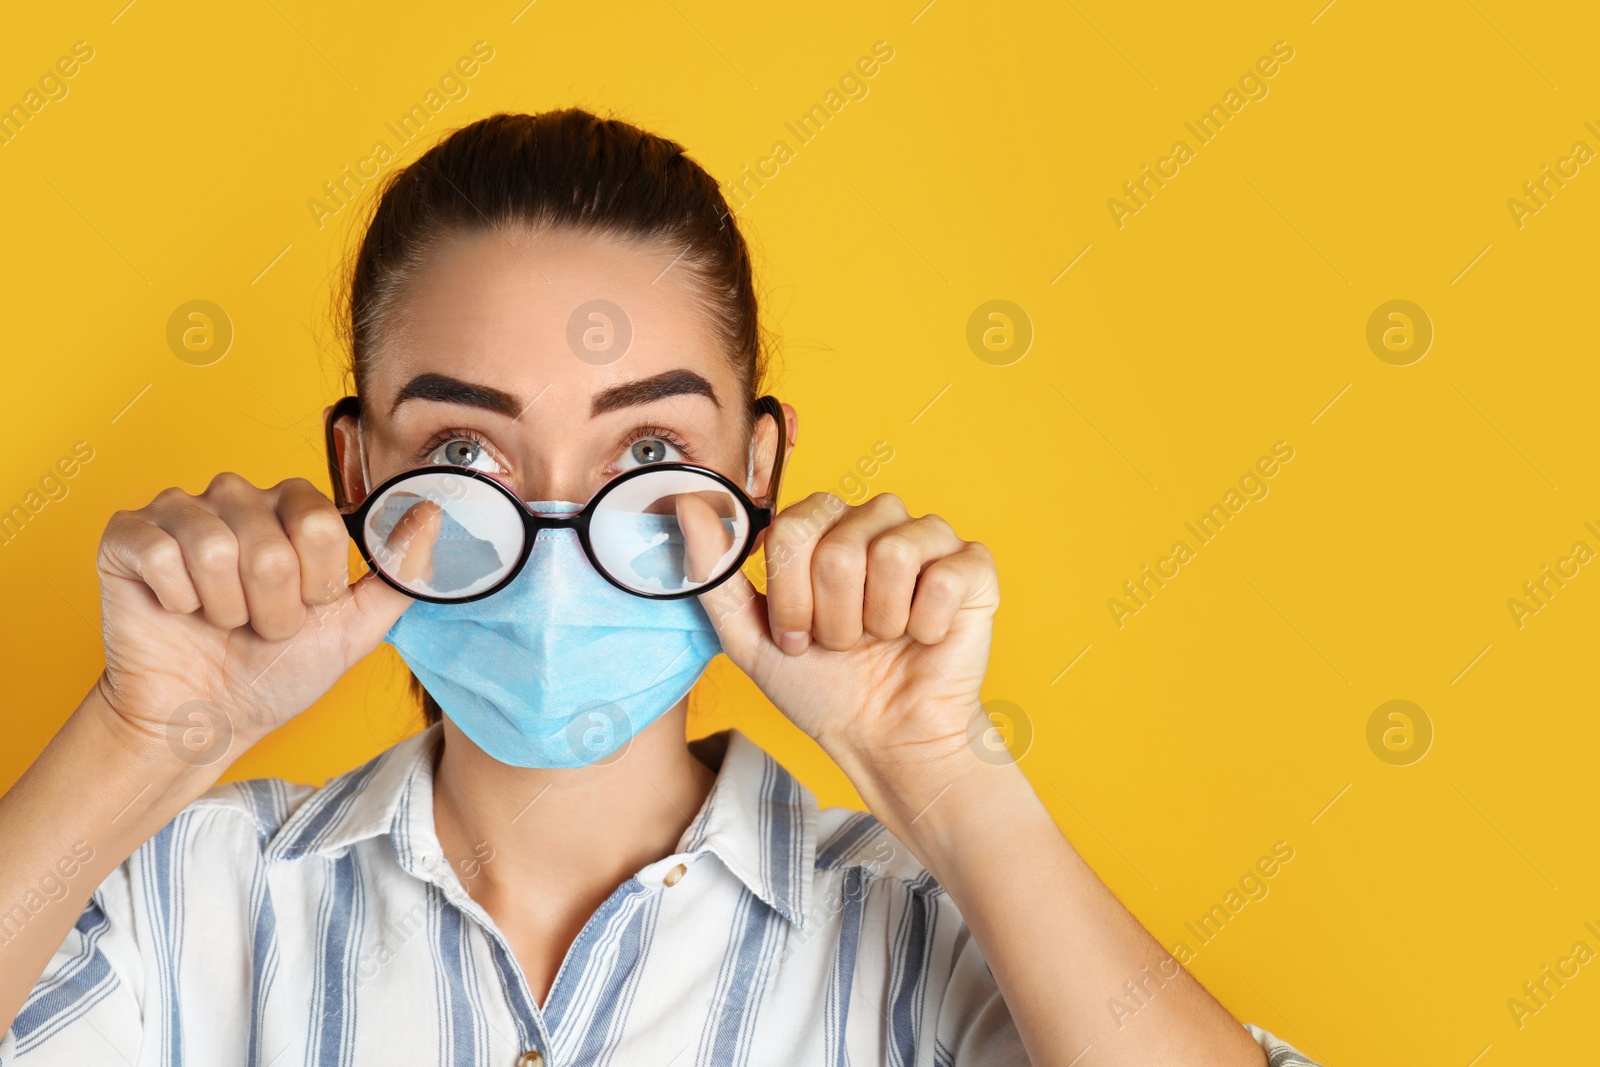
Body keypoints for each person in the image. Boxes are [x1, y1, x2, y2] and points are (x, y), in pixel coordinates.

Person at [0, 109, 1317, 1066]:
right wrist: (138, 741)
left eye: (647, 451)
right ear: (357, 476)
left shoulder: (934, 951)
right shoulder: (186, 909)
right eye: (466, 450)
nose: (560, 528)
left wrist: (946, 776)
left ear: (757, 468)